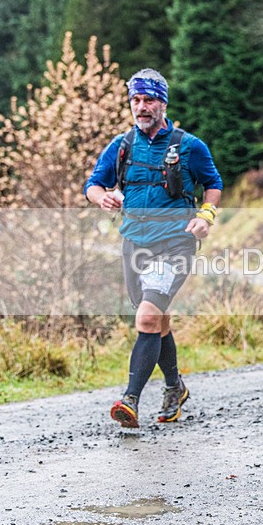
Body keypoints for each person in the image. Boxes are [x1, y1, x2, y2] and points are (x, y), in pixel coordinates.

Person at [84, 68, 223, 427]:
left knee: (146, 315)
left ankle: (130, 399)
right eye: (136, 100)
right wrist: (104, 198)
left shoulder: (189, 145)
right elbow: (93, 185)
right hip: (134, 242)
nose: (141, 107)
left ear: (162, 103)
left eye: (148, 100)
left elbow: (213, 183)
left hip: (175, 242)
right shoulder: (121, 146)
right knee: (156, 321)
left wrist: (205, 216)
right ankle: (175, 386)